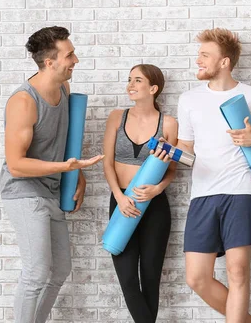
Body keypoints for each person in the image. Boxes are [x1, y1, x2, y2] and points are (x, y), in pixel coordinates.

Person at [175, 28, 251, 323]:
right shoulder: (188, 100)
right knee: (197, 278)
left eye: (204, 55)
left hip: (241, 190)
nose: (198, 60)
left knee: (238, 271)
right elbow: (186, 150)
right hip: (203, 194)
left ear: (224, 62)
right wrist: (169, 154)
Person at [0, 26, 104, 323]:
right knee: (36, 272)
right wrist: (65, 168)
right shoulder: (24, 101)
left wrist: (77, 176)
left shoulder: (63, 88)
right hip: (23, 191)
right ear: (50, 62)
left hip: (52, 189)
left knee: (59, 270)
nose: (76, 60)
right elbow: (16, 164)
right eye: (70, 54)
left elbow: (65, 138)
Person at [102, 64, 178, 322]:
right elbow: (107, 163)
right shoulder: (116, 117)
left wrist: (157, 189)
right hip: (122, 202)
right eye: (129, 80)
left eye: (137, 81)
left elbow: (172, 170)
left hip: (154, 206)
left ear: (153, 88)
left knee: (150, 276)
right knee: (127, 278)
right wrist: (119, 196)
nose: (130, 85)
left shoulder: (168, 123)